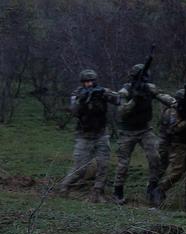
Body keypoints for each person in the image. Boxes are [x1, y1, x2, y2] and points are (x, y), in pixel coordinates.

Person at [112, 63, 172, 205]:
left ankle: (152, 189)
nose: (143, 81)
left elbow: (163, 97)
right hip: (127, 131)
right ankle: (117, 192)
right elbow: (121, 111)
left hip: (145, 129)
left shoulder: (149, 88)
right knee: (123, 164)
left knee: (155, 157)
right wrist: (134, 100)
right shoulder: (125, 90)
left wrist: (175, 102)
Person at [58, 69, 120, 202]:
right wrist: (83, 99)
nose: (89, 84)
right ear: (82, 83)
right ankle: (65, 186)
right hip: (84, 136)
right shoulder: (77, 94)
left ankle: (98, 192)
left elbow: (118, 99)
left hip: (101, 135)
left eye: (91, 81)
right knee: (80, 169)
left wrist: (104, 93)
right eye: (86, 82)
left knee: (103, 165)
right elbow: (73, 110)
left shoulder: (102, 91)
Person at [151, 83, 186, 208]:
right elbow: (173, 129)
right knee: (176, 172)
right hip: (177, 143)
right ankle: (159, 191)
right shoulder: (173, 110)